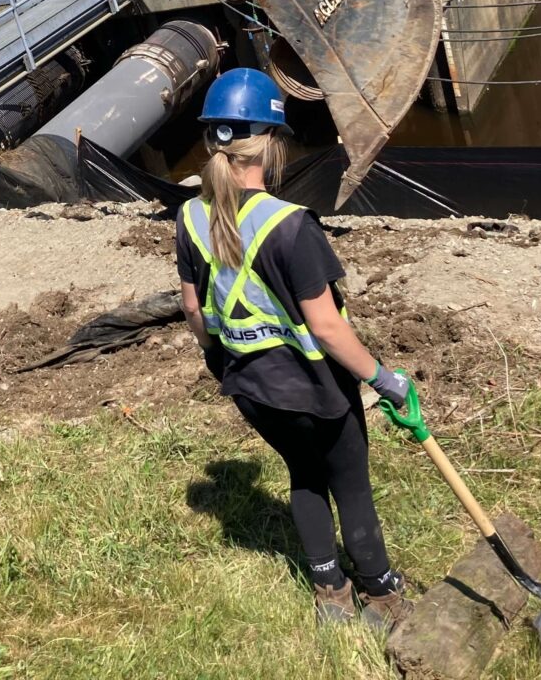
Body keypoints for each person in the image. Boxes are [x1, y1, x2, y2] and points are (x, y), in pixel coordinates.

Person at [175, 67, 413, 628]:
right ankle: (381, 595)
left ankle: (329, 589)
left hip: (252, 387)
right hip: (317, 388)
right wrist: (384, 380)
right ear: (272, 144)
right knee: (349, 483)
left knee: (303, 476)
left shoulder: (190, 215)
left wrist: (219, 357)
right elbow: (328, 330)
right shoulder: (291, 226)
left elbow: (192, 308)